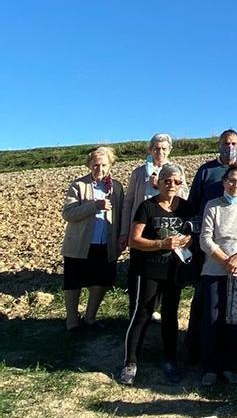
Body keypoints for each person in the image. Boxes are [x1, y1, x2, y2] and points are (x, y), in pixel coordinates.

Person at [119, 163, 195, 385]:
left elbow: (193, 233)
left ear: (182, 184)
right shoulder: (147, 207)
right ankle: (130, 362)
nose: (172, 185)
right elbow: (135, 240)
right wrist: (162, 243)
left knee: (171, 315)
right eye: (167, 181)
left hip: (174, 270)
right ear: (159, 183)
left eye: (177, 181)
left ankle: (170, 360)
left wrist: (188, 240)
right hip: (148, 269)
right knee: (142, 313)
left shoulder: (186, 207)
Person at [198, 163, 237, 386]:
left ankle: (230, 365)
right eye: (232, 180)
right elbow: (205, 239)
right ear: (225, 182)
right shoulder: (213, 206)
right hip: (216, 269)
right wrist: (226, 261)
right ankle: (210, 367)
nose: (236, 185)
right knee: (212, 318)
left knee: (236, 319)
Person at [120, 133, 189, 317]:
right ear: (150, 150)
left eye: (164, 148)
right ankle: (137, 312)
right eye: (156, 148)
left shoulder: (177, 170)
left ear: (170, 150)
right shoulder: (139, 173)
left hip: (167, 230)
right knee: (140, 275)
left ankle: (155, 309)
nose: (160, 152)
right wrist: (124, 232)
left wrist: (162, 184)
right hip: (142, 231)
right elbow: (128, 202)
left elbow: (184, 196)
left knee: (165, 273)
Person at [61, 146, 124, 331]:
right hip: (80, 244)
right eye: (95, 165)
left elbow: (120, 213)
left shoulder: (117, 187)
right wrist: (94, 205)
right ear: (89, 165)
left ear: (111, 165)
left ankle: (90, 317)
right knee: (73, 282)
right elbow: (68, 213)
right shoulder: (78, 185)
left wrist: (121, 237)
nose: (100, 169)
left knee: (101, 281)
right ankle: (71, 320)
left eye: (104, 165)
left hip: (105, 243)